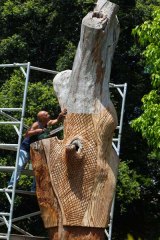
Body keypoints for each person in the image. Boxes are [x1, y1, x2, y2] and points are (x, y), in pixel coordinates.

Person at [8, 109, 67, 190]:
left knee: (38, 168)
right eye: (47, 114)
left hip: (35, 150)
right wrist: (37, 131)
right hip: (25, 148)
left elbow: (56, 121)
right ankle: (11, 185)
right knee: (20, 166)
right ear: (43, 118)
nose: (49, 115)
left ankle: (34, 188)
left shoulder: (47, 122)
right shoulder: (36, 124)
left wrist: (60, 115)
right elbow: (27, 134)